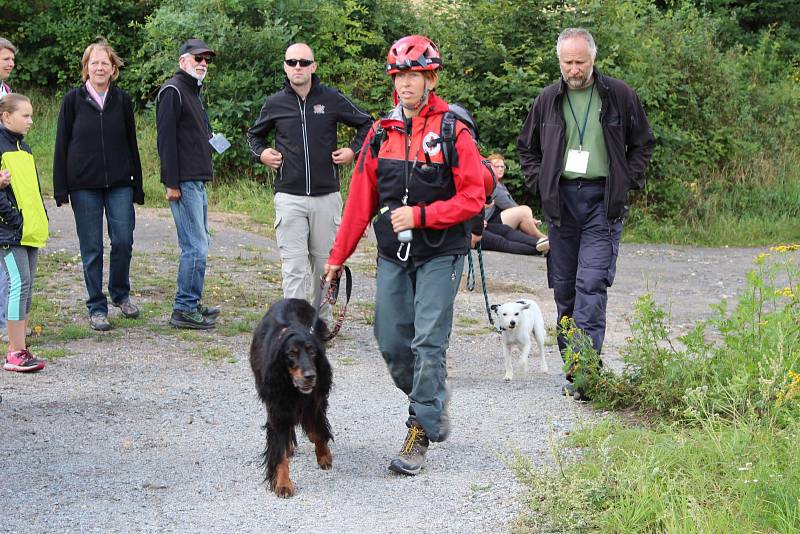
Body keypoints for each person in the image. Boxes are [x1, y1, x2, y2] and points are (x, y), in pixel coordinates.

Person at [324, 35, 485, 475]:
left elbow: (474, 197)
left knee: (428, 342)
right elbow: (359, 202)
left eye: (414, 76)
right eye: (400, 76)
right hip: (394, 254)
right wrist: (337, 258)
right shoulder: (380, 133)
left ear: (430, 78)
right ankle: (431, 400)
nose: (406, 85)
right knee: (393, 345)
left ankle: (419, 428)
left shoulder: (453, 129)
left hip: (442, 253)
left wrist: (422, 215)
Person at [517, 28, 655, 398]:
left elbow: (643, 143)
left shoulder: (619, 95)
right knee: (565, 291)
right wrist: (540, 182)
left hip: (602, 201)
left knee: (591, 284)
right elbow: (526, 149)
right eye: (567, 62)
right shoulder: (547, 99)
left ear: (593, 59)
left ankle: (586, 376)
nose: (574, 70)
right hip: (561, 204)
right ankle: (574, 368)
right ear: (558, 60)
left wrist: (627, 180)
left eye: (580, 62)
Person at [247, 43, 371, 313]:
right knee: (293, 267)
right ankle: (295, 326)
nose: (298, 67)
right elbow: (253, 136)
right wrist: (262, 154)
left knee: (326, 265)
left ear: (314, 67)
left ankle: (320, 324)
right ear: (285, 67)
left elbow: (368, 124)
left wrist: (353, 150)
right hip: (289, 197)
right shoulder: (275, 103)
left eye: (304, 62)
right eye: (292, 62)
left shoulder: (331, 98)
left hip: (326, 197)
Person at [53, 39, 144, 331]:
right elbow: (61, 144)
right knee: (91, 247)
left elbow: (132, 144)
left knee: (123, 240)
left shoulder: (123, 100)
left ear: (113, 68)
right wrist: (60, 187)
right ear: (86, 67)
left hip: (120, 183)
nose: (100, 67)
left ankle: (120, 293)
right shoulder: (72, 100)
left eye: (105, 63)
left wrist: (138, 185)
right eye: (95, 63)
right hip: (83, 186)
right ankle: (96, 306)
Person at [156, 38, 220, 330]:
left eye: (206, 60)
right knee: (195, 246)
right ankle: (183, 308)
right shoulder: (173, 91)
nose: (203, 64)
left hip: (197, 180)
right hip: (184, 181)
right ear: (183, 61)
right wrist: (171, 183)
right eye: (198, 59)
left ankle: (191, 303)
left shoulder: (193, 91)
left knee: (199, 242)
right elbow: (165, 140)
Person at [0, 94, 48, 372]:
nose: (31, 121)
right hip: (9, 233)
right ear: (7, 117)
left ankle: (20, 348)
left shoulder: (25, 148)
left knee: (26, 288)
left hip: (29, 231)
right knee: (17, 286)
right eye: (25, 115)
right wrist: (14, 219)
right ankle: (14, 351)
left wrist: (39, 218)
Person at [484, 153, 549, 253]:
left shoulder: (499, 184)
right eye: (497, 166)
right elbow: (509, 205)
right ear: (489, 168)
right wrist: (529, 218)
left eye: (502, 166)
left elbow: (512, 205)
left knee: (513, 226)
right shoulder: (493, 185)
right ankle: (542, 240)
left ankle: (540, 242)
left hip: (493, 222)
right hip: (486, 222)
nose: (501, 169)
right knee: (524, 211)